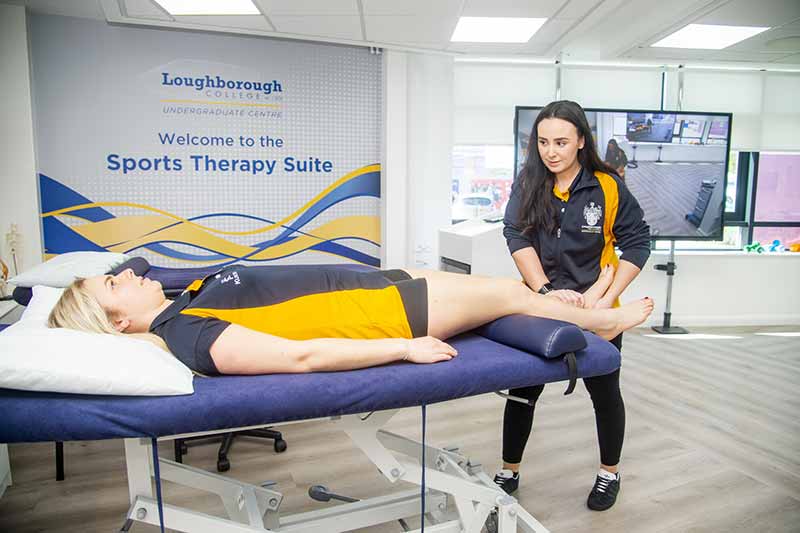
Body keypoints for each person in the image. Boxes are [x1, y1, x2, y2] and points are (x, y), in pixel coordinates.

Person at [48, 265, 652, 376]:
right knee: (510, 293)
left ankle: (583, 307)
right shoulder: (185, 334)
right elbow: (299, 356)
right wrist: (401, 349)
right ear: (118, 322)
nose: (128, 275)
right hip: (388, 316)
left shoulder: (181, 301)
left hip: (383, 288)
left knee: (514, 291)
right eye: (114, 284)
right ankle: (600, 321)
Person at [500, 100, 651, 511]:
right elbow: (516, 234)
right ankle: (509, 470)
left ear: (581, 141)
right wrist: (546, 290)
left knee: (605, 394)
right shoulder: (529, 182)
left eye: (561, 142)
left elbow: (637, 242)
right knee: (522, 393)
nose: (551, 151)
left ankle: (609, 473)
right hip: (542, 302)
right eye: (544, 142)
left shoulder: (608, 186)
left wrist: (603, 298)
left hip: (599, 309)